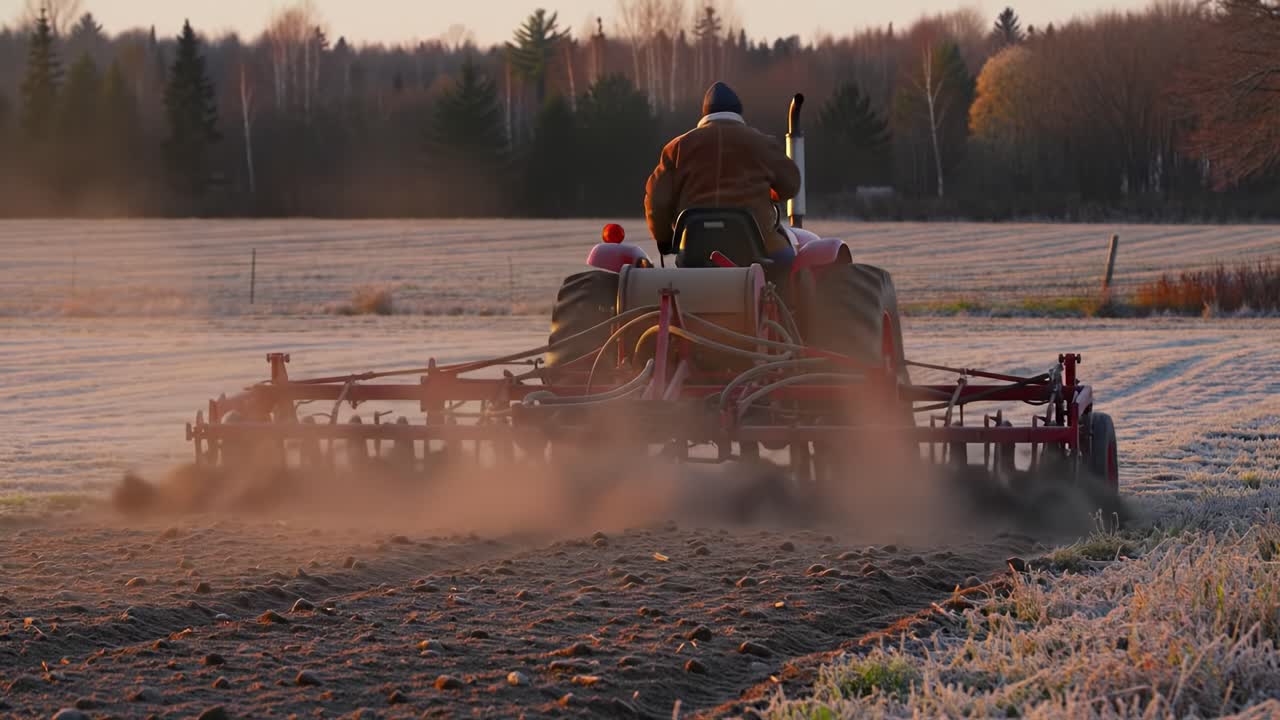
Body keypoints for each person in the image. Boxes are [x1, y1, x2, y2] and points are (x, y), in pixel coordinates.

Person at [644, 81, 803, 266]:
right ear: (738, 113)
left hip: (694, 248)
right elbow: (791, 184)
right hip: (757, 247)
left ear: (705, 114)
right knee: (791, 264)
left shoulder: (677, 148)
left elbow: (657, 201)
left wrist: (665, 240)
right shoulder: (762, 143)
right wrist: (773, 194)